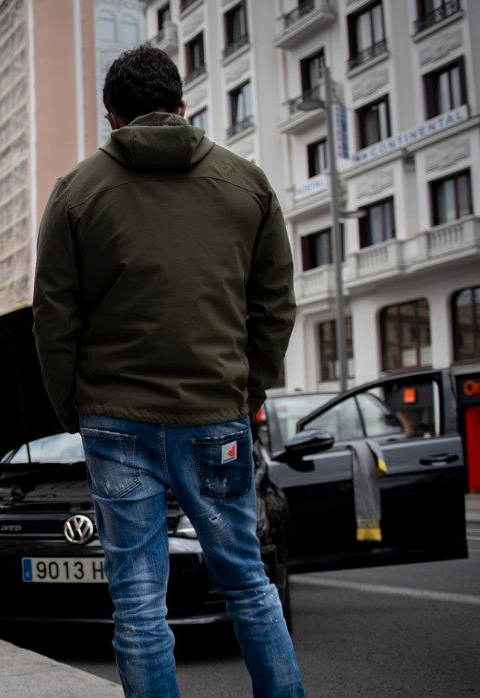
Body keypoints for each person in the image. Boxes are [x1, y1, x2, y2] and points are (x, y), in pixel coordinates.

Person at [32, 46, 302, 697]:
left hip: (115, 420)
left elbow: (53, 318)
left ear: (112, 119)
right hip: (216, 413)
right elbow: (274, 304)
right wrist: (247, 389)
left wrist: (74, 407)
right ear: (183, 107)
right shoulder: (248, 183)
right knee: (247, 583)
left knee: (139, 606)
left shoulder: (76, 192)